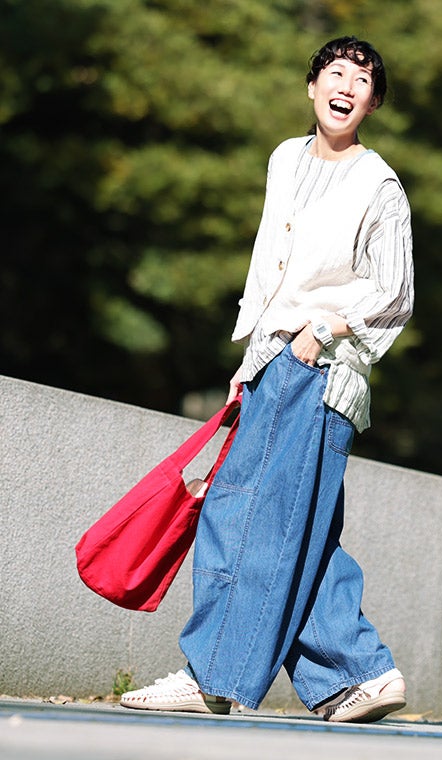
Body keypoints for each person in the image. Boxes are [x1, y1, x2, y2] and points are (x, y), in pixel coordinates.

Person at [119, 36, 414, 724]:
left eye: (362, 80)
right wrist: (251, 360)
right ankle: (358, 675)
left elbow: (394, 290)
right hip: (274, 359)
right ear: (312, 86)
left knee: (243, 516)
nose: (347, 86)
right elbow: (272, 271)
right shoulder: (285, 158)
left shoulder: (379, 185)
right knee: (297, 529)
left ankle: (211, 677)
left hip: (318, 368)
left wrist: (322, 332)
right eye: (335, 73)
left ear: (373, 103)